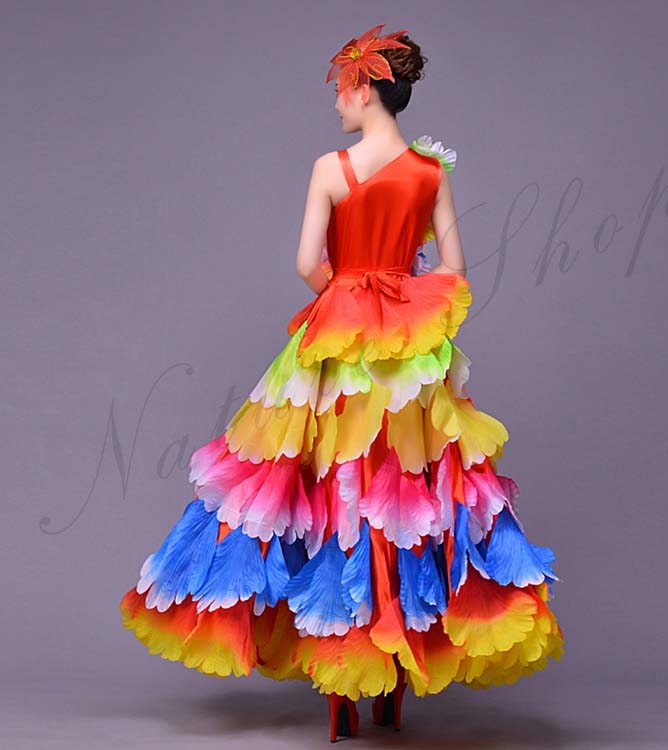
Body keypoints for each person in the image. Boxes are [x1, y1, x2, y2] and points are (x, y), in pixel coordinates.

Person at [120, 23, 564, 743]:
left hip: (336, 347)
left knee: (329, 489)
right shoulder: (430, 172)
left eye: (340, 91)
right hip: (410, 360)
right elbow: (454, 272)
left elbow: (306, 263)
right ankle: (395, 680)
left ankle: (340, 684)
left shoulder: (331, 168)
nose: (335, 104)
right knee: (411, 495)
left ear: (364, 89)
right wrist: (402, 298)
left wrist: (347, 296)